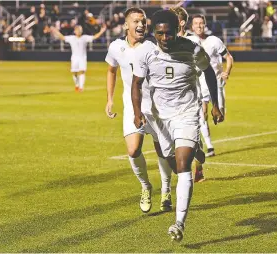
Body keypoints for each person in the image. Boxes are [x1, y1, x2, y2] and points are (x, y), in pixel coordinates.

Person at [131, 9, 224, 242]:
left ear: (177, 31)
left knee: (183, 166)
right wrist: (136, 114)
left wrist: (214, 104)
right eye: (159, 34)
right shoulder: (145, 52)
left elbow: (209, 73)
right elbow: (136, 83)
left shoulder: (192, 49)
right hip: (160, 118)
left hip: (186, 113)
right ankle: (196, 149)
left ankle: (179, 223)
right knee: (172, 162)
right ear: (154, 33)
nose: (164, 38)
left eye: (168, 34)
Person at [105, 7, 175, 213]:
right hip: (132, 106)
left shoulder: (153, 47)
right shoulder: (116, 47)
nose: (141, 25)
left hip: (156, 108)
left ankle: (166, 190)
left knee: (162, 149)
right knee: (133, 150)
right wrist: (109, 99)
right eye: (136, 21)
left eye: (143, 21)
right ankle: (145, 186)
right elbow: (111, 70)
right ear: (126, 25)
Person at [189, 14, 234, 158]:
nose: (198, 26)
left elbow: (229, 58)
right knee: (202, 115)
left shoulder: (214, 41)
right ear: (192, 26)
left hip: (215, 83)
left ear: (205, 24)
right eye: (196, 23)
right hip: (199, 84)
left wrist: (226, 72)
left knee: (219, 117)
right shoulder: (189, 42)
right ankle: (209, 147)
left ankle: (218, 110)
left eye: (201, 23)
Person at [170, 6, 207, 183]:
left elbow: (201, 68)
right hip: (169, 98)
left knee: (195, 146)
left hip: (191, 96)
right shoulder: (165, 40)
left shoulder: (193, 42)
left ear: (182, 22)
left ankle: (198, 163)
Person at [50, 24, 106, 92]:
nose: (79, 31)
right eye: (78, 29)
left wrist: (102, 31)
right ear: (75, 31)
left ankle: (81, 87)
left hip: (82, 58)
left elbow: (94, 37)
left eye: (80, 29)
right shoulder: (71, 38)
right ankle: (77, 84)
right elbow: (62, 37)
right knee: (74, 72)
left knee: (82, 71)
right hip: (74, 58)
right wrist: (55, 31)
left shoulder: (85, 37)